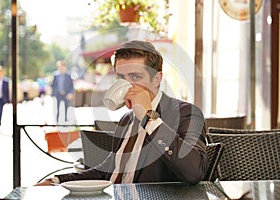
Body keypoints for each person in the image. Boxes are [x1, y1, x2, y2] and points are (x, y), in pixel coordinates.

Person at [37, 40, 207, 186]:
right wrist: (57, 181)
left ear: (157, 79)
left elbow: (193, 172)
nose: (127, 86)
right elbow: (107, 172)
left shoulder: (186, 114)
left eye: (135, 77)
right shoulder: (127, 119)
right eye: (121, 78)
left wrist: (150, 117)